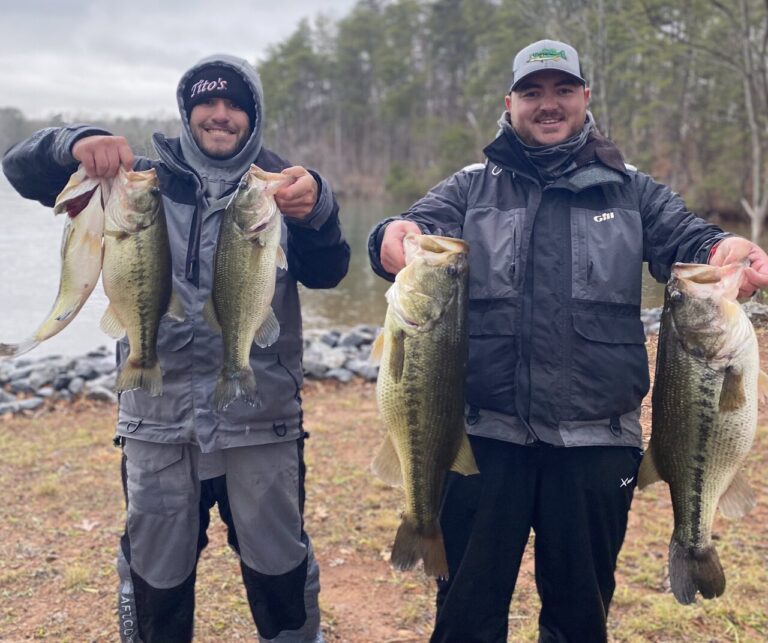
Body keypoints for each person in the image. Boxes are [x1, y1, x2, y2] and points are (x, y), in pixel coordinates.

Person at [368, 39, 768, 642]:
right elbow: (407, 231)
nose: (547, 104)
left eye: (561, 90)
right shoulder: (471, 187)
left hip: (597, 445)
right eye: (533, 92)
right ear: (510, 102)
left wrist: (727, 253)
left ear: (585, 97)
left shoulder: (633, 192)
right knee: (466, 616)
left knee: (580, 618)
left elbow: (692, 241)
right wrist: (391, 236)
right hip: (482, 439)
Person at [3, 54, 349, 642]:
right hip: (157, 423)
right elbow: (20, 169)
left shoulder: (283, 186)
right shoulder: (135, 180)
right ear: (187, 113)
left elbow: (329, 272)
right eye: (206, 104)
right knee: (156, 579)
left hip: (260, 423)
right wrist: (74, 143)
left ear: (254, 115)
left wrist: (319, 212)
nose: (220, 115)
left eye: (234, 104)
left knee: (281, 573)